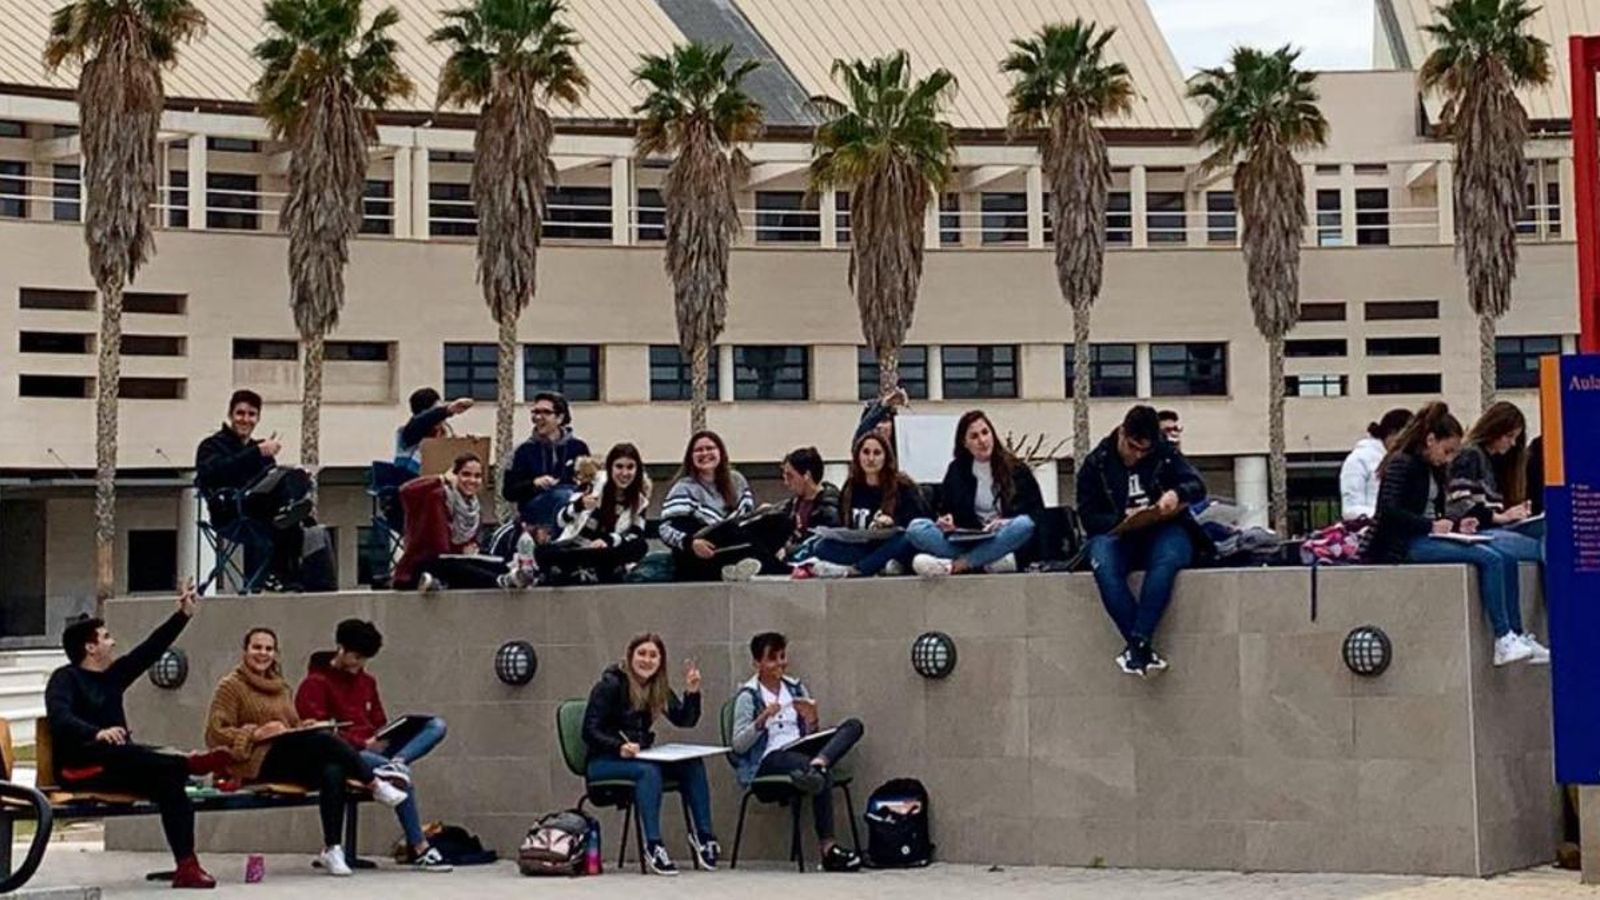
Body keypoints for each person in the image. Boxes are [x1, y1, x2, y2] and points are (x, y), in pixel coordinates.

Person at [45, 585, 232, 889]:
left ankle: (187, 865)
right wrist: (97, 732)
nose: (113, 641)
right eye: (106, 637)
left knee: (168, 779)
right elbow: (60, 718)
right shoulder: (64, 679)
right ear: (90, 648)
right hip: (80, 766)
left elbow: (150, 650)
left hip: (118, 764)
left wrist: (182, 615)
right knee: (131, 752)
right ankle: (188, 762)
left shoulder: (113, 677)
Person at [205, 627, 410, 877]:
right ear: (245, 651)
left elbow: (290, 725)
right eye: (257, 647)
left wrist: (304, 726)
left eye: (268, 649)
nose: (263, 653)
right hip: (254, 762)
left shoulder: (281, 687)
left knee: (332, 768)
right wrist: (255, 733)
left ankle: (332, 849)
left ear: (276, 653)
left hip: (285, 756)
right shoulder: (230, 686)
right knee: (324, 742)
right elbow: (215, 733)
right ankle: (374, 782)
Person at [1365, 402, 1549, 666]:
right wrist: (1430, 527)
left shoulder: (1434, 469)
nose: (1449, 458)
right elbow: (1388, 512)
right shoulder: (1402, 465)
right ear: (1430, 440)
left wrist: (1456, 524)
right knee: (1492, 558)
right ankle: (1503, 635)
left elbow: (1440, 511)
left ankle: (1514, 634)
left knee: (1501, 556)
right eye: (1447, 450)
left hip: (1428, 535)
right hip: (1405, 543)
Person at [294, 619, 452, 872]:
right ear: (340, 649)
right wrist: (361, 742)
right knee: (400, 778)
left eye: (364, 659)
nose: (359, 664)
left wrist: (386, 735)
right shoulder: (315, 683)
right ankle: (420, 847)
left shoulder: (367, 682)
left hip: (376, 747)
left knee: (436, 726)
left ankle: (397, 763)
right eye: (356, 657)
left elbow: (378, 720)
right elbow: (319, 735)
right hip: (347, 753)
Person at [1076, 405, 1210, 677]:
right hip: (1119, 535)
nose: (1137, 456)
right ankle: (1141, 647)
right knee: (1103, 564)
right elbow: (1089, 518)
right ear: (1122, 434)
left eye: (1144, 451)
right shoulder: (1097, 463)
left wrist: (1176, 493)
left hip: (1164, 529)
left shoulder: (1164, 453)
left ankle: (1137, 645)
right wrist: (1121, 518)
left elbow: (1198, 485)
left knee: (1168, 560)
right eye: (1133, 447)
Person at [581, 634, 718, 876]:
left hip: (638, 757)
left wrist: (692, 692)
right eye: (642, 654)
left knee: (692, 764)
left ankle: (704, 838)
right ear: (630, 656)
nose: (647, 660)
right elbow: (589, 730)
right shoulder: (611, 685)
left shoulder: (658, 688)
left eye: (653, 655)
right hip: (603, 761)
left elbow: (685, 720)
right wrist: (617, 746)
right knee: (649, 771)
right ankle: (654, 846)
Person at [730, 632, 865, 872]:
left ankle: (819, 763)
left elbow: (807, 735)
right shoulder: (748, 696)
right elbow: (738, 745)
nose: (780, 663)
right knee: (818, 772)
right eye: (772, 658)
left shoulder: (795, 687)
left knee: (853, 726)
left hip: (800, 751)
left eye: (782, 657)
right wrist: (762, 720)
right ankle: (828, 849)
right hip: (770, 758)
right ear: (757, 664)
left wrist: (812, 722)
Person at [194, 388, 313, 589]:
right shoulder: (211, 446)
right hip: (231, 512)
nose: (245, 419)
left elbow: (271, 479)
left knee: (294, 496)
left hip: (266, 511)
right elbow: (213, 473)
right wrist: (255, 452)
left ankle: (292, 576)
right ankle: (278, 574)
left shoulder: (261, 450)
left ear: (258, 418)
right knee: (283, 516)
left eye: (251, 414)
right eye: (240, 413)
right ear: (230, 415)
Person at [906, 410, 1041, 577]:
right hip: (967, 540)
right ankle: (983, 562)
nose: (982, 441)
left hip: (1001, 538)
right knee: (916, 528)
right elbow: (946, 509)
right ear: (965, 442)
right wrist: (946, 521)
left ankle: (956, 566)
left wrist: (1005, 522)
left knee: (1023, 525)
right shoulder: (956, 470)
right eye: (974, 436)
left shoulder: (1017, 469)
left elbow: (1035, 515)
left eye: (985, 433)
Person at [658, 431, 788, 582]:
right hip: (701, 553)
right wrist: (691, 543)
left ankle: (741, 565)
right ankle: (769, 564)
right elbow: (665, 529)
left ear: (720, 452)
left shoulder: (737, 481)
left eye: (710, 448)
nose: (705, 453)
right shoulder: (683, 487)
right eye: (698, 450)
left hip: (734, 542)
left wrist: (762, 514)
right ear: (690, 456)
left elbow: (746, 522)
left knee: (780, 520)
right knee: (730, 530)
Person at [802, 432, 929, 578]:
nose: (871, 459)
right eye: (866, 452)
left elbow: (918, 525)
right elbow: (845, 524)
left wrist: (892, 522)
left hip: (891, 545)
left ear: (886, 457)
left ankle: (858, 569)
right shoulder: (851, 487)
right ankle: (879, 565)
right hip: (863, 547)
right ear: (858, 456)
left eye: (877, 453)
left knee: (905, 540)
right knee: (822, 546)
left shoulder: (903, 486)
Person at [535, 443, 652, 584]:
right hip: (578, 548)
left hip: (608, 552)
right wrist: (578, 506)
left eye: (630, 467)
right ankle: (582, 570)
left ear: (637, 469)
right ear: (610, 468)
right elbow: (561, 521)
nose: (625, 473)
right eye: (619, 467)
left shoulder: (639, 501)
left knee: (640, 546)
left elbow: (635, 536)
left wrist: (608, 540)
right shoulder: (592, 485)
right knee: (544, 551)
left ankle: (580, 571)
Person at [393, 453, 511, 591]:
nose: (472, 480)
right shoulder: (436, 496)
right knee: (451, 566)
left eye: (477, 476)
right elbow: (405, 491)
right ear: (455, 475)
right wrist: (441, 478)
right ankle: (500, 581)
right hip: (425, 564)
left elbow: (464, 548)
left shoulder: (474, 509)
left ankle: (509, 578)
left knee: (499, 565)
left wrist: (470, 550)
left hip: (456, 562)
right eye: (466, 474)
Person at [502, 391, 591, 537]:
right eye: (535, 412)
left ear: (560, 417)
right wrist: (534, 483)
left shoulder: (578, 448)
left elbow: (588, 484)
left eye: (545, 412)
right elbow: (508, 492)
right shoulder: (523, 451)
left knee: (568, 495)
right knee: (562, 495)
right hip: (535, 513)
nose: (538, 417)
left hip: (572, 511)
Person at [1339, 408, 1413, 522]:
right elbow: (1350, 510)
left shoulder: (1403, 461)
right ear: (1393, 433)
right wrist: (1387, 516)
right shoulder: (1359, 459)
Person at [776, 447, 842, 560]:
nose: (786, 483)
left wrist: (789, 550)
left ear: (807, 475)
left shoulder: (829, 509)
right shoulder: (792, 505)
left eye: (790, 476)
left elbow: (822, 543)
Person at [394, 388, 474, 476]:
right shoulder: (407, 433)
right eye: (436, 411)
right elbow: (421, 422)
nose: (441, 418)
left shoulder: (444, 433)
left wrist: (471, 443)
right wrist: (447, 410)